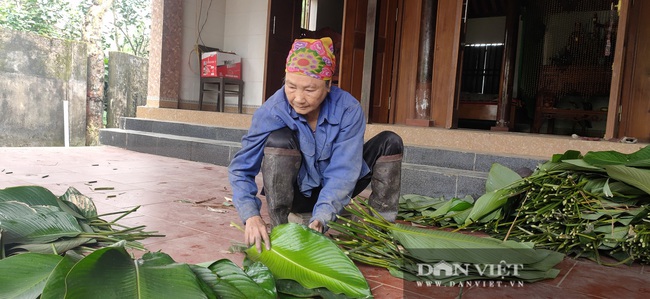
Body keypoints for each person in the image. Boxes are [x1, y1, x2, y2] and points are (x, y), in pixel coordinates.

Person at [228, 37, 403, 252]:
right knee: (279, 139)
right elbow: (241, 168)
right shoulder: (271, 111)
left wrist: (322, 216)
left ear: (329, 85)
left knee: (390, 141)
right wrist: (251, 215)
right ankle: (280, 228)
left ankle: (381, 232)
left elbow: (344, 170)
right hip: (296, 194)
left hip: (336, 190)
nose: (299, 98)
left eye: (309, 90)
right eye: (291, 86)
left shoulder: (348, 109)